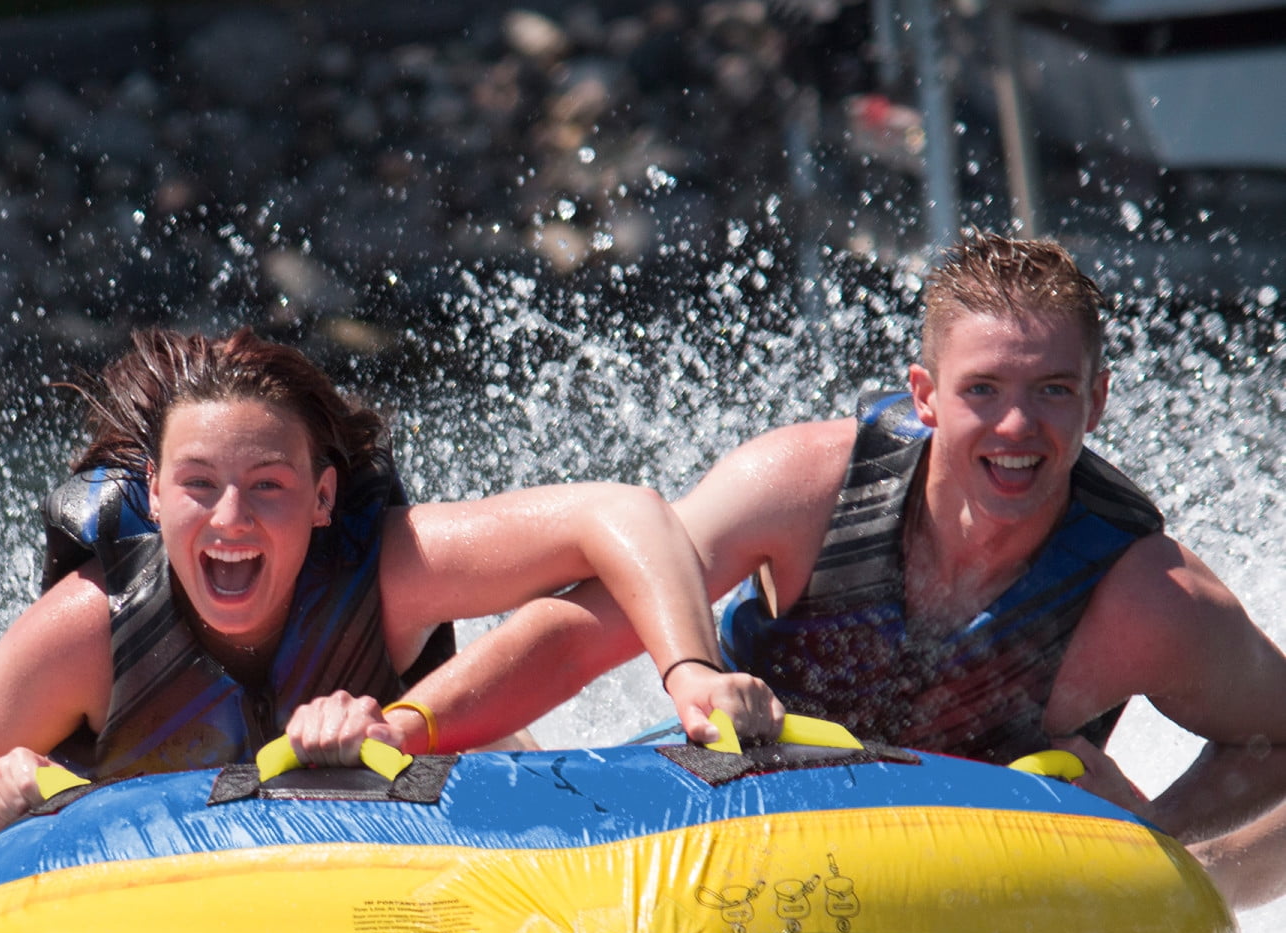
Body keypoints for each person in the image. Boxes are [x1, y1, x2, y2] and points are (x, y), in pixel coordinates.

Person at [399, 231, 1286, 850]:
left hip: (984, 875)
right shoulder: (801, 489)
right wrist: (408, 729)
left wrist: (1161, 841)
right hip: (734, 819)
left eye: (1053, 390)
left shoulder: (1148, 599)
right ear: (925, 395)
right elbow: (582, 633)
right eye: (983, 390)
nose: (1017, 427)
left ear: (1096, 401)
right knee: (503, 764)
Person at [0, 328, 780, 850]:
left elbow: (621, 512)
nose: (231, 518)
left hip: (408, 835)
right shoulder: (98, 627)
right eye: (198, 484)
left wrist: (692, 673)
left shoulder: (385, 572)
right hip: (161, 884)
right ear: (155, 494)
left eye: (269, 485)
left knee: (495, 731)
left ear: (323, 498)